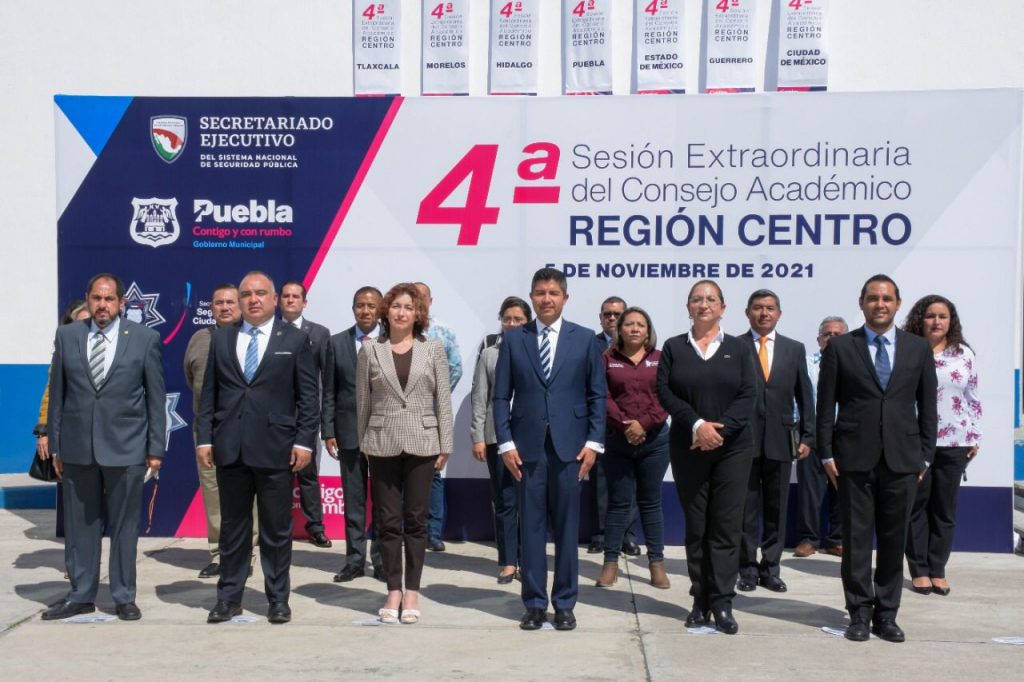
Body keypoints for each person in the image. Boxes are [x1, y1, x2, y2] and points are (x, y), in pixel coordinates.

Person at [817, 274, 937, 643]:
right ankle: (859, 613)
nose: (880, 304)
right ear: (862, 303)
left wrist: (926, 457)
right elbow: (825, 407)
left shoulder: (917, 348)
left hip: (903, 459)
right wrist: (825, 454)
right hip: (854, 459)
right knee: (855, 541)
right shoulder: (841, 348)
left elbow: (928, 406)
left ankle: (887, 614)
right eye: (873, 298)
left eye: (886, 298)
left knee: (892, 538)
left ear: (898, 303)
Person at [42, 273, 166, 621]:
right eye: (96, 298)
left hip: (127, 450)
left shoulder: (144, 339)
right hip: (78, 449)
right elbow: (58, 395)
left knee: (125, 527)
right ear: (88, 299)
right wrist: (56, 444)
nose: (102, 305)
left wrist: (155, 449)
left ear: (121, 303)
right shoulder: (68, 336)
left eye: (109, 299)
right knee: (80, 527)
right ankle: (81, 594)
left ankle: (123, 596)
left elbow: (156, 399)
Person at [197, 271, 318, 625]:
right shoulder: (221, 338)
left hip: (276, 448)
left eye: (260, 293)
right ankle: (229, 598)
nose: (253, 299)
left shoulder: (295, 340)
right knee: (233, 529)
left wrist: (303, 441)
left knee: (276, 530)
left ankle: (278, 599)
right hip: (229, 448)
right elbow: (209, 396)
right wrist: (205, 438)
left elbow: (309, 398)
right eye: (246, 294)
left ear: (275, 297)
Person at [493, 267, 606, 632]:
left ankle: (565, 603)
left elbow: (596, 396)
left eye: (553, 293)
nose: (546, 299)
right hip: (526, 450)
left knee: (568, 528)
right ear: (532, 296)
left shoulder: (586, 339)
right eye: (540, 292)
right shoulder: (514, 339)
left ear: (565, 298)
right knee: (532, 529)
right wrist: (506, 443)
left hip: (571, 449)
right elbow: (500, 397)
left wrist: (593, 443)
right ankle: (535, 604)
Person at [656, 279, 755, 635]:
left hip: (734, 449)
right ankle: (700, 600)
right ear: (688, 308)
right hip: (689, 447)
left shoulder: (741, 349)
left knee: (726, 527)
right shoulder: (673, 347)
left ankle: (723, 602)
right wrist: (697, 425)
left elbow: (749, 394)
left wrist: (720, 430)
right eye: (697, 299)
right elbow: (664, 392)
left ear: (723, 308)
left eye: (711, 299)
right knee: (697, 527)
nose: (704, 304)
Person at [357, 283, 454, 624]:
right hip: (381, 442)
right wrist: (364, 442)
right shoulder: (370, 350)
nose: (401, 312)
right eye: (396, 306)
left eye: (408, 307)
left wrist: (446, 444)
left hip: (423, 443)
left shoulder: (434, 349)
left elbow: (443, 399)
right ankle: (393, 589)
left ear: (418, 314)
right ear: (387, 311)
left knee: (415, 520)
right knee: (387, 522)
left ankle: (412, 590)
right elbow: (362, 402)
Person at [902, 295, 981, 596]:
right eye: (930, 316)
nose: (937, 322)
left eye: (943, 316)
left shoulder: (964, 354)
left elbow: (973, 397)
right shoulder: (908, 350)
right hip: (916, 441)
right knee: (916, 507)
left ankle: (938, 568)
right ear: (919, 319)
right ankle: (919, 569)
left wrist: (974, 435)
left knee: (945, 509)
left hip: (955, 441)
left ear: (951, 321)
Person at [737, 290, 814, 593]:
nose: (764, 313)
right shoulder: (735, 346)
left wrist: (808, 435)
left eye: (770, 308)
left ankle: (771, 568)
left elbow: (805, 396)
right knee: (746, 509)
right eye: (758, 308)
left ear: (779, 314)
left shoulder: (794, 349)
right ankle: (746, 569)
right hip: (745, 440)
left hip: (782, 440)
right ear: (748, 313)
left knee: (776, 509)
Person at [183, 283, 258, 579]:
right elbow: (193, 380)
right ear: (211, 308)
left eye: (230, 302)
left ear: (240, 305)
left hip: (246, 429)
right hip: (208, 432)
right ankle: (219, 553)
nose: (225, 307)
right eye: (218, 303)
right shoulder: (199, 339)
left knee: (248, 494)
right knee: (213, 493)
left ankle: (246, 553)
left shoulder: (251, 339)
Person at [595, 307, 671, 591]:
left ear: (648, 329)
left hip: (655, 442)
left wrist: (644, 424)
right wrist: (626, 424)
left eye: (641, 324)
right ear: (620, 329)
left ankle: (656, 565)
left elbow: (666, 396)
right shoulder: (606, 360)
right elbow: (602, 395)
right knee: (617, 504)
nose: (635, 329)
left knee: (651, 503)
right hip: (618, 441)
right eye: (629, 324)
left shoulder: (660, 358)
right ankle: (610, 564)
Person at [323, 285, 386, 583]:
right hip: (348, 433)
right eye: (360, 305)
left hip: (386, 434)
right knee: (354, 499)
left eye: (371, 306)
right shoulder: (336, 343)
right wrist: (328, 430)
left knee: (385, 501)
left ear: (380, 309)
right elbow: (329, 392)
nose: (365, 310)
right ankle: (354, 560)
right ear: (353, 309)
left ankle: (383, 560)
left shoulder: (391, 342)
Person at [470, 296, 531, 584]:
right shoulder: (489, 354)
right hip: (498, 438)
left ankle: (530, 559)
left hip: (532, 439)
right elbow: (480, 398)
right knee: (505, 502)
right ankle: (508, 562)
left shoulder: (539, 351)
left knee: (533, 501)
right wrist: (478, 437)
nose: (512, 324)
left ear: (528, 322)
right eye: (507, 318)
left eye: (518, 319)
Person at [279, 280, 332, 549]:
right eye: (286, 296)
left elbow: (329, 380)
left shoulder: (320, 334)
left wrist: (325, 421)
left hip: (307, 417)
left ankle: (316, 527)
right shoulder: (269, 332)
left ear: (304, 302)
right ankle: (279, 530)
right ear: (279, 301)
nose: (290, 300)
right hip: (275, 417)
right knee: (277, 477)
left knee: (309, 474)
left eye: (295, 296)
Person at [413, 281, 462, 552]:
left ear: (431, 301)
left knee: (432, 473)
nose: (418, 303)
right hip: (401, 416)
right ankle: (405, 530)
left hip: (431, 414)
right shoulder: (395, 329)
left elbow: (456, 367)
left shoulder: (442, 332)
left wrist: (435, 396)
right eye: (413, 297)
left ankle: (432, 532)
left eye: (423, 298)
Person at [589, 295, 639, 557]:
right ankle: (601, 534)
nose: (611, 318)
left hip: (630, 425)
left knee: (629, 481)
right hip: (599, 423)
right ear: (600, 318)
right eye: (607, 313)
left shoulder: (637, 344)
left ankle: (627, 535)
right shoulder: (590, 344)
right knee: (600, 480)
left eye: (617, 314)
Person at [793, 316, 847, 558]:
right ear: (819, 339)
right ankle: (809, 539)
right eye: (827, 334)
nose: (832, 338)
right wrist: (800, 432)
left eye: (838, 334)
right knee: (810, 490)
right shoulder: (805, 363)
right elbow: (797, 399)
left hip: (846, 435)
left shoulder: (856, 364)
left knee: (844, 489)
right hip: (813, 434)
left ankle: (837, 539)